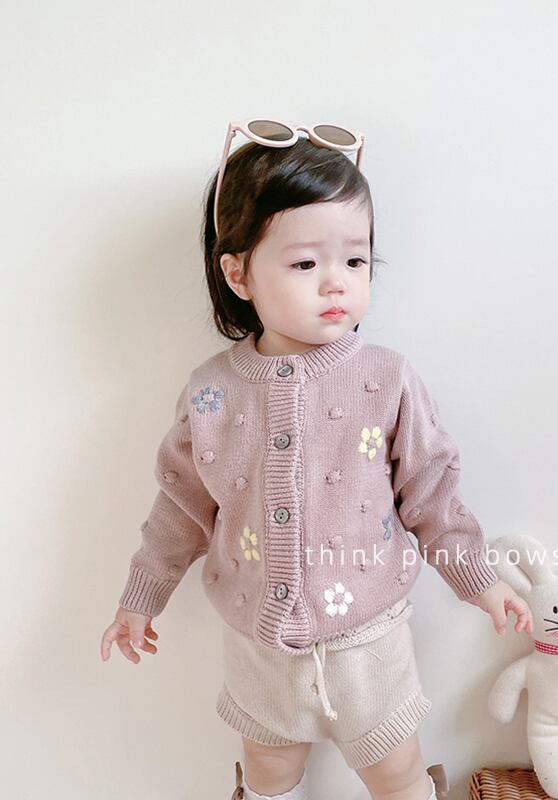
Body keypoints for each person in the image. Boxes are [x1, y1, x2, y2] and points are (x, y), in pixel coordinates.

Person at [100, 120, 532, 800]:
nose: (336, 284)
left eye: (356, 262)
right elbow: (181, 506)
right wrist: (141, 596)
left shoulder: (386, 378)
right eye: (305, 265)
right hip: (259, 642)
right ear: (238, 273)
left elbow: (431, 494)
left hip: (369, 637)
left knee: (395, 770)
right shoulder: (212, 391)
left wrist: (477, 580)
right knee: (269, 769)